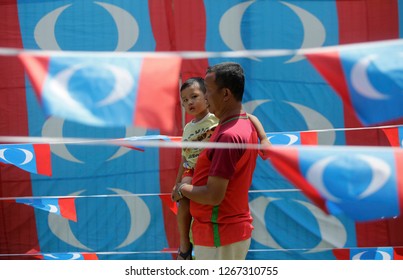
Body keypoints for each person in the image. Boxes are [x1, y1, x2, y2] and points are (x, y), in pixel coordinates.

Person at [172, 63, 270, 260]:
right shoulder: (234, 124)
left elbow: (213, 195)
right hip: (219, 233)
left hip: (219, 234)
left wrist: (181, 189)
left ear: (225, 94)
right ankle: (184, 245)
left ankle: (184, 249)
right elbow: (186, 159)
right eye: (185, 100)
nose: (205, 97)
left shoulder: (228, 134)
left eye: (206, 91)